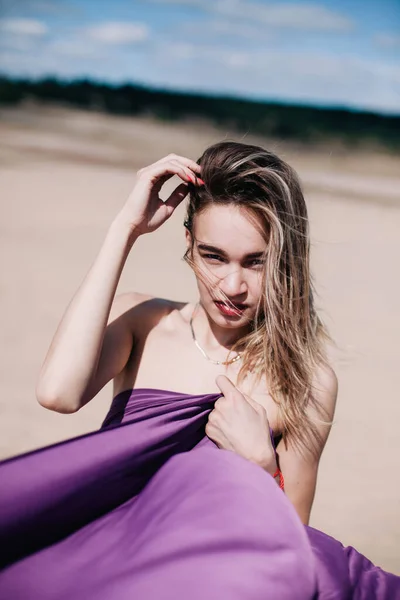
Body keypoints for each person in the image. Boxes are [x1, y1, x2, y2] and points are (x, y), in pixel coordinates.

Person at [0, 142, 398, 599]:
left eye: (256, 262)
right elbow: (57, 393)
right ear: (188, 244)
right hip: (109, 565)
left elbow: (288, 548)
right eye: (214, 256)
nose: (233, 286)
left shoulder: (306, 381)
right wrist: (124, 229)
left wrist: (263, 467)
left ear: (283, 261)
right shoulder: (141, 323)